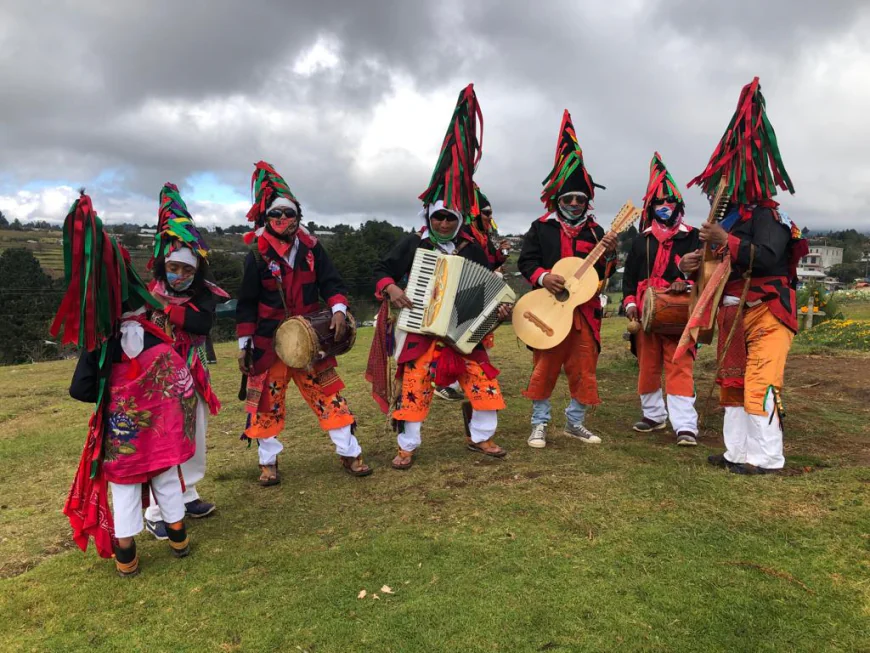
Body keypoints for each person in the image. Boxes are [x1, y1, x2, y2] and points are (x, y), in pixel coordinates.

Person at [368, 83, 510, 470]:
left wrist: (498, 311)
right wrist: (393, 289)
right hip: (421, 329)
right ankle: (407, 446)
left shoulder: (472, 248)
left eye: (450, 218)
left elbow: (488, 288)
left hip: (462, 333)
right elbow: (380, 271)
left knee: (483, 381)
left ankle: (481, 437)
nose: (444, 223)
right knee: (414, 386)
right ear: (429, 216)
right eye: (439, 217)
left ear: (459, 220)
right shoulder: (412, 244)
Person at [53, 192, 195, 577]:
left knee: (125, 486)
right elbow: (183, 386)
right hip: (162, 435)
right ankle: (178, 537)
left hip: (123, 437)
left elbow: (81, 390)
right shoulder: (159, 341)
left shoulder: (102, 346)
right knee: (165, 474)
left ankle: (127, 555)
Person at [681, 77, 808, 474]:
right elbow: (714, 271)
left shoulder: (771, 216)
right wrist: (691, 265)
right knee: (732, 382)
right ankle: (737, 453)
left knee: (760, 380)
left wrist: (727, 241)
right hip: (731, 313)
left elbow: (768, 257)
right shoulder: (729, 221)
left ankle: (767, 458)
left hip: (767, 310)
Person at [236, 161, 371, 485]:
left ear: (298, 217)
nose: (283, 219)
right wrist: (244, 345)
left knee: (329, 396)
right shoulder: (256, 256)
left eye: (289, 214)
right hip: (269, 343)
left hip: (312, 339)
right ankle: (268, 463)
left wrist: (338, 310)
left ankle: (349, 452)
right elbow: (247, 303)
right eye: (276, 214)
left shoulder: (313, 250)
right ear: (266, 218)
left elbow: (332, 283)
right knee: (266, 404)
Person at [517, 110, 618, 449]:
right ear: (558, 200)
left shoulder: (597, 232)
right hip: (549, 308)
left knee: (584, 368)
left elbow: (605, 274)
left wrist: (611, 255)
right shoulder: (541, 227)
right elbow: (526, 261)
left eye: (580, 199)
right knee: (544, 367)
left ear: (587, 201)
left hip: (584, 313)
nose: (574, 203)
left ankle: (575, 422)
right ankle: (539, 423)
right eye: (568, 198)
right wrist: (544, 277)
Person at [143, 183, 229, 540]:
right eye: (173, 267)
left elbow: (200, 323)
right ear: (163, 266)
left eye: (186, 269)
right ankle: (156, 510)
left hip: (193, 374)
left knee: (195, 432)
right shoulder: (147, 296)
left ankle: (188, 493)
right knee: (163, 438)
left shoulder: (202, 295)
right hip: (158, 380)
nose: (179, 274)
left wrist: (167, 309)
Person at [622, 153, 700, 446]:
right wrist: (631, 304)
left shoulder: (693, 237)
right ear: (651, 207)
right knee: (648, 365)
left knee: (679, 366)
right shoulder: (641, 240)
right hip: (646, 312)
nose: (664, 206)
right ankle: (653, 415)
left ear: (679, 204)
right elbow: (629, 279)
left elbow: (705, 273)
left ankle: (685, 426)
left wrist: (687, 283)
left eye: (669, 201)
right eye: (659, 202)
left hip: (680, 313)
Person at [434, 186, 510, 402]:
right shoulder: (467, 236)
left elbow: (487, 265)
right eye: (486, 213)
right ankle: (444, 381)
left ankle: (455, 380)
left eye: (490, 213)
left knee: (468, 340)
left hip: (470, 298)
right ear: (475, 214)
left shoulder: (480, 238)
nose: (490, 217)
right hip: (446, 301)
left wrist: (501, 255)